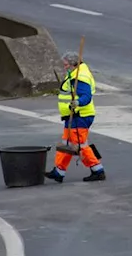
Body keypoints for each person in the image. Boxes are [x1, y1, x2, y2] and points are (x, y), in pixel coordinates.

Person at [46, 52, 106, 183]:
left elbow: (86, 96)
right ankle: (59, 171)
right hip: (73, 115)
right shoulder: (75, 73)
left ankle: (98, 170)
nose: (65, 67)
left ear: (73, 64)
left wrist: (78, 103)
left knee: (79, 145)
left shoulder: (80, 77)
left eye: (66, 65)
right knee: (67, 144)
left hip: (80, 115)